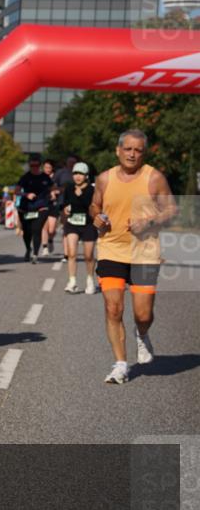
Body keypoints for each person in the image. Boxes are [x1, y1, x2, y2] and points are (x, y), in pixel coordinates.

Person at [89, 129, 176, 385]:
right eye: (127, 148)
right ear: (118, 150)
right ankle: (120, 364)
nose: (132, 154)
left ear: (143, 153)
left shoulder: (154, 178)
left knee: (143, 314)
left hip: (144, 252)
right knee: (113, 308)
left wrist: (149, 220)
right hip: (111, 249)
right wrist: (97, 216)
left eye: (138, 150)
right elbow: (96, 204)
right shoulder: (104, 179)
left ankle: (142, 332)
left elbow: (171, 208)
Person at [60, 162, 97, 294]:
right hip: (72, 223)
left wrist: (80, 194)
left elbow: (91, 206)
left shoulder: (92, 190)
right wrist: (65, 209)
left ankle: (90, 280)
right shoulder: (69, 188)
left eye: (81, 174)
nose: (78, 176)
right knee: (71, 253)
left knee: (88, 255)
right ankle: (72, 282)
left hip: (88, 224)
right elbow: (64, 203)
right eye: (75, 173)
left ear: (86, 176)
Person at [14, 155, 52, 263]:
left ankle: (35, 254)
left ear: (40, 165)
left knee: (36, 230)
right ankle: (28, 249)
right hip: (26, 208)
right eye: (32, 165)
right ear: (29, 165)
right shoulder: (25, 177)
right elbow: (17, 191)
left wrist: (55, 192)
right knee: (27, 232)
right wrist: (26, 194)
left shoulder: (45, 177)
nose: (34, 167)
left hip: (41, 208)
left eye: (36, 165)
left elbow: (53, 187)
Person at [40, 159, 62, 256]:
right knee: (44, 227)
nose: (47, 169)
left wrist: (56, 192)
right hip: (44, 204)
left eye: (49, 167)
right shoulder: (40, 178)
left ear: (52, 168)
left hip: (54, 204)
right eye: (45, 167)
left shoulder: (56, 177)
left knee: (52, 229)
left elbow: (61, 189)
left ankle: (50, 240)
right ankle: (44, 247)